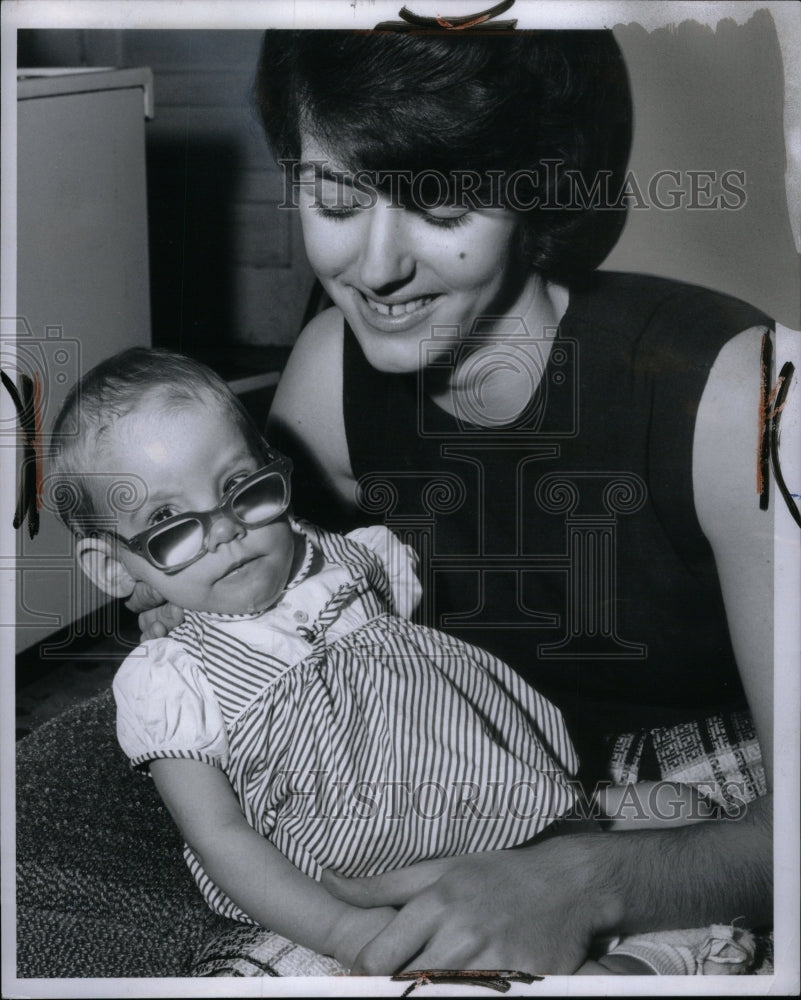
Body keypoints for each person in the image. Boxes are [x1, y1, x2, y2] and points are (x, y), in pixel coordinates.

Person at [248, 29, 772, 975]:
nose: (375, 268)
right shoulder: (326, 378)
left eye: (439, 199)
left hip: (718, 816)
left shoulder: (738, 396)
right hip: (463, 774)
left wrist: (582, 880)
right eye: (334, 196)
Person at [52, 347, 758, 977]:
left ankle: (616, 886)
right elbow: (219, 838)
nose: (228, 532)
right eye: (170, 527)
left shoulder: (347, 557)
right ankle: (636, 962)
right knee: (460, 958)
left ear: (275, 469)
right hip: (383, 858)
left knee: (688, 822)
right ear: (114, 569)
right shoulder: (171, 678)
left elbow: (436, 702)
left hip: (512, 798)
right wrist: (340, 930)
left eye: (242, 489)